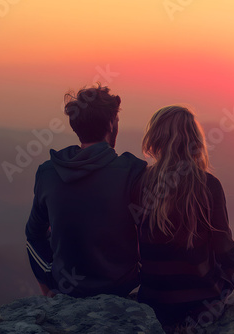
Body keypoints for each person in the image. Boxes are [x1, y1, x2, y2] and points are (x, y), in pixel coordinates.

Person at [132, 105, 234, 332]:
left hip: (154, 301)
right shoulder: (209, 185)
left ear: (156, 139)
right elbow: (225, 250)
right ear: (195, 141)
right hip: (201, 304)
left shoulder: (140, 182)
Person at [25, 84, 147, 297]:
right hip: (123, 287)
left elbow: (33, 235)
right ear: (111, 124)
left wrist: (48, 281)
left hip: (66, 289)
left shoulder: (48, 173)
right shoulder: (133, 171)